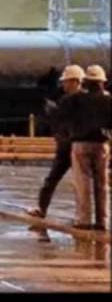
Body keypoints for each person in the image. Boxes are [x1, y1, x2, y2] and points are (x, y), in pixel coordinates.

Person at [51, 64, 110, 230]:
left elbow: (61, 115)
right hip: (101, 144)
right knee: (102, 184)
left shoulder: (77, 99)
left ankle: (83, 220)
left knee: (82, 182)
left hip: (81, 144)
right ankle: (102, 220)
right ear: (102, 82)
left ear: (86, 81)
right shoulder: (108, 99)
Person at [29, 65, 84, 218]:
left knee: (65, 181)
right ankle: (81, 214)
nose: (64, 85)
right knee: (67, 181)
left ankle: (43, 210)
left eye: (66, 81)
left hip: (71, 146)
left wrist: (53, 112)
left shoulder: (73, 101)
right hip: (70, 145)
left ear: (75, 81)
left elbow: (64, 121)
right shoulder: (72, 99)